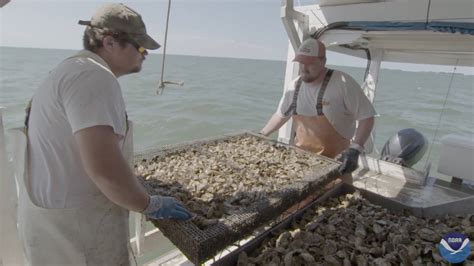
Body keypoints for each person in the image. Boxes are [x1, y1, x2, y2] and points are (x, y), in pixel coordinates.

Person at [19, 3, 191, 265]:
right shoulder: (94, 77)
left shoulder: (70, 69)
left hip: (52, 223)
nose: (145, 54)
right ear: (109, 42)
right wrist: (149, 204)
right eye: (141, 47)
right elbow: (104, 170)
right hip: (77, 234)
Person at [260, 38, 376, 183]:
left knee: (339, 199)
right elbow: (280, 115)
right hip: (301, 162)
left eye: (310, 63)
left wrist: (355, 149)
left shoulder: (342, 83)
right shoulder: (294, 86)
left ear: (323, 61)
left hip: (338, 165)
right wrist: (262, 134)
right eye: (301, 62)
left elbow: (367, 117)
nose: (304, 68)